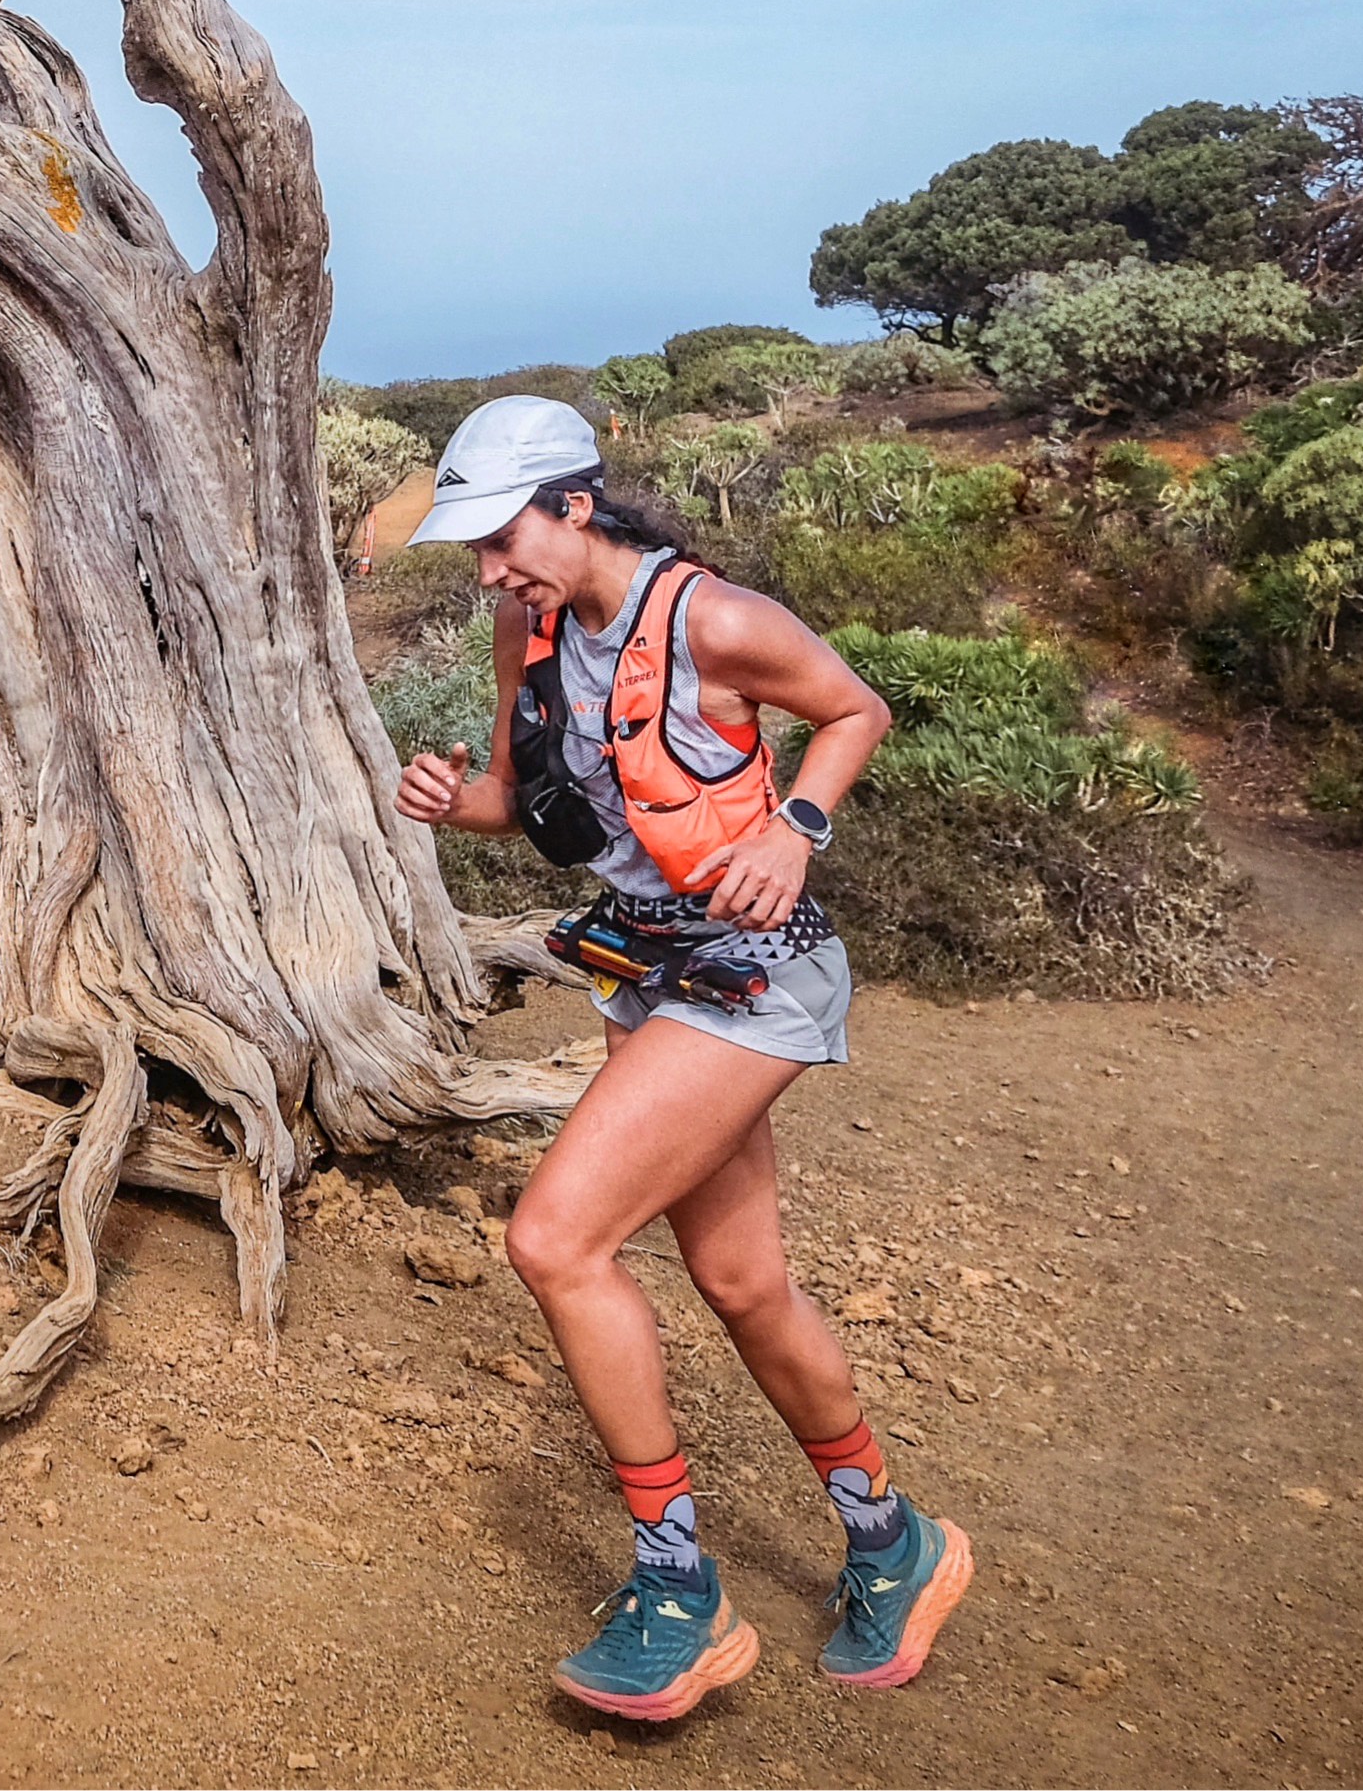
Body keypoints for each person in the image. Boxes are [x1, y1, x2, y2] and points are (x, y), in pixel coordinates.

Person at [393, 393, 972, 1723]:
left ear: (574, 507)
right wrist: (448, 799)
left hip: (756, 973)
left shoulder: (713, 618)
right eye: (474, 546)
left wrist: (798, 823)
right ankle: (894, 1542)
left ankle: (678, 1585)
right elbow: (526, 807)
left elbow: (854, 707)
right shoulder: (524, 627)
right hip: (644, 966)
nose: (487, 569)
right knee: (740, 1278)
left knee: (554, 1238)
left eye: (499, 538)